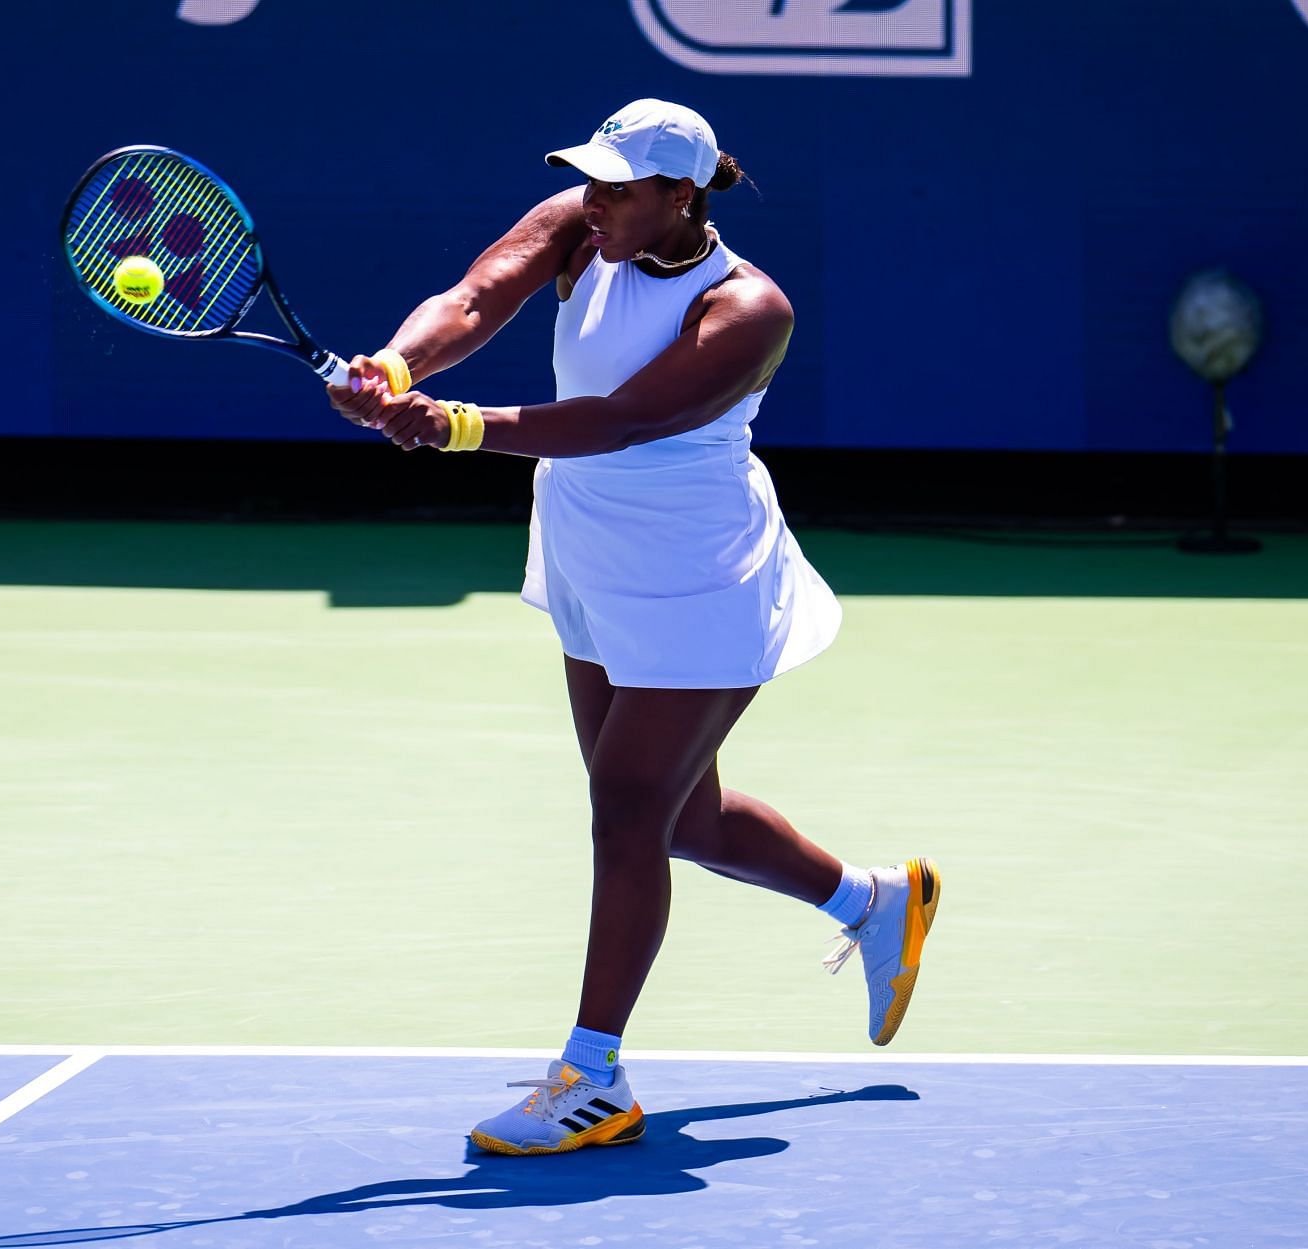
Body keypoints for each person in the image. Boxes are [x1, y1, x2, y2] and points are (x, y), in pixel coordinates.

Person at [326, 99, 941, 1157]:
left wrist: (458, 429)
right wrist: (398, 367)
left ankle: (592, 1077)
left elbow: (624, 419)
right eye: (593, 180)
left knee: (625, 810)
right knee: (677, 821)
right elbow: (475, 298)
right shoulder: (584, 223)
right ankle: (875, 901)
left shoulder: (750, 308)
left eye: (621, 187)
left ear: (684, 196)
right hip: (585, 557)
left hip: (699, 575)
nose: (596, 201)